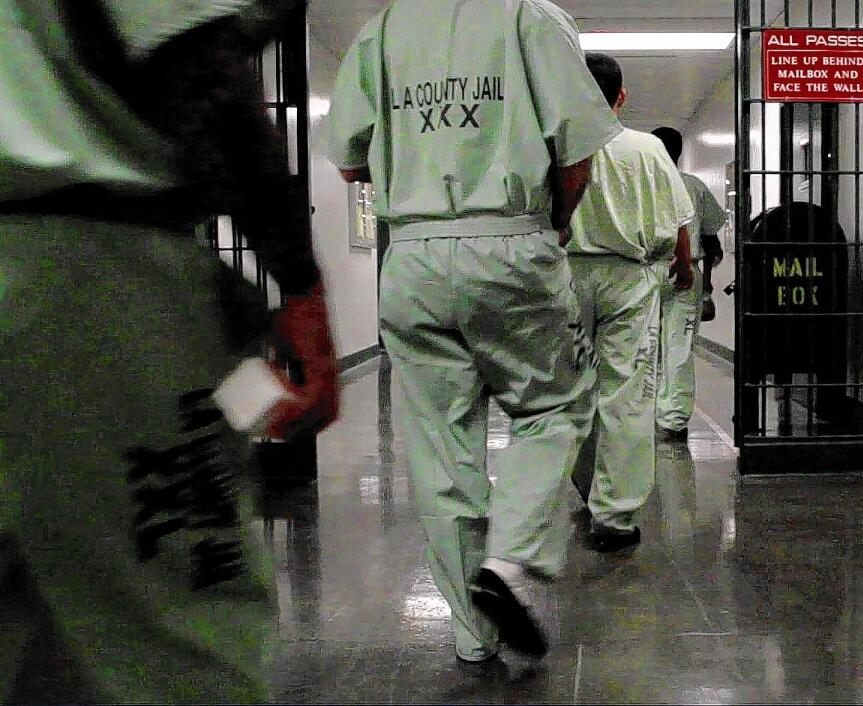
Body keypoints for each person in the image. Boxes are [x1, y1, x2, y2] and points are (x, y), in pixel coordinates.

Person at [0, 0, 340, 702]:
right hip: (77, 277)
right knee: (183, 616)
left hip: (57, 252)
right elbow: (200, 72)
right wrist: (300, 290)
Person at [325, 0, 621, 663]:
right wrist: (553, 229)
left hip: (413, 254)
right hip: (512, 238)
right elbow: (577, 155)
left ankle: (472, 636)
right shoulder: (532, 17)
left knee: (440, 449)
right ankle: (509, 560)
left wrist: (420, 170)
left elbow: (349, 165)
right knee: (553, 410)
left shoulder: (380, 31)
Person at [567, 54, 696, 552]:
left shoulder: (552, 147)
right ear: (621, 97)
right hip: (630, 278)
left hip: (566, 277)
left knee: (574, 388)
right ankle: (614, 515)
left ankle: (587, 485)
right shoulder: (647, 149)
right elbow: (677, 222)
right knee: (626, 391)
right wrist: (683, 271)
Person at [649, 127, 727, 442]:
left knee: (645, 346)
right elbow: (712, 243)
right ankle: (673, 421)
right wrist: (706, 288)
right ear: (680, 153)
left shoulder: (639, 184)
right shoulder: (693, 186)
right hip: (687, 272)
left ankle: (645, 413)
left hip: (646, 273)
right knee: (679, 348)